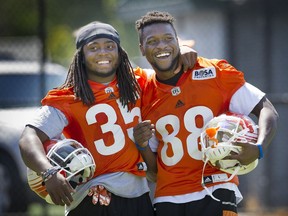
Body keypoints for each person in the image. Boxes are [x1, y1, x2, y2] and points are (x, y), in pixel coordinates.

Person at [19, 21, 197, 216]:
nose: (103, 52)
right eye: (93, 48)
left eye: (109, 46)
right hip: (94, 195)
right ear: (81, 57)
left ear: (120, 53)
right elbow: (29, 138)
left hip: (138, 195)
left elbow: (169, 70)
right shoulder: (69, 97)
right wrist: (49, 172)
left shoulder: (139, 81)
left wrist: (183, 50)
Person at [133, 11, 279, 216]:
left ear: (177, 40)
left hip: (216, 187)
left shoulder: (213, 72)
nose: (161, 46)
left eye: (168, 39)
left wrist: (259, 148)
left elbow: (267, 110)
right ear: (142, 48)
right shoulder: (143, 90)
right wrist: (142, 145)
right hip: (167, 196)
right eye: (152, 41)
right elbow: (155, 171)